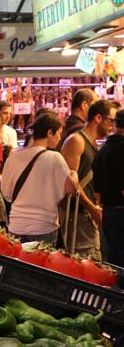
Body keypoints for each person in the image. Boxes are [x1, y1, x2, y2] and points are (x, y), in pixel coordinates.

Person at [1, 111, 78, 246]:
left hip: (16, 226)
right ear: (49, 132)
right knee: (40, 266)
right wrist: (74, 175)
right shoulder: (55, 157)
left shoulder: (13, 157)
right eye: (58, 133)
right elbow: (72, 189)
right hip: (43, 227)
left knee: (17, 265)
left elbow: (6, 194)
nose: (60, 138)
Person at [60, 99, 115, 261]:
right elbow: (71, 181)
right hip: (77, 215)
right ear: (98, 118)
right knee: (84, 261)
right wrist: (91, 207)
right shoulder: (76, 140)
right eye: (110, 121)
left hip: (87, 214)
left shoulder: (93, 144)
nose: (112, 126)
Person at [93, 108, 124, 265]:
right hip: (121, 212)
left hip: (108, 212)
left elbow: (96, 190)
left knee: (113, 261)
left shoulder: (102, 150)